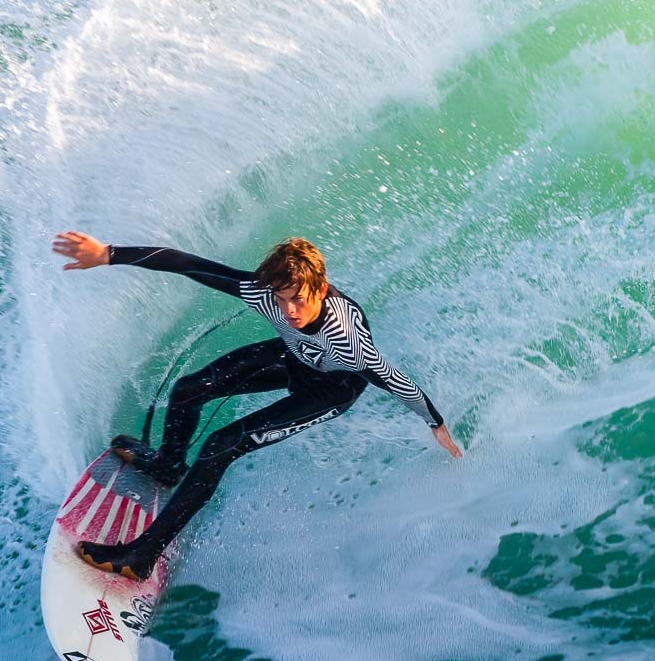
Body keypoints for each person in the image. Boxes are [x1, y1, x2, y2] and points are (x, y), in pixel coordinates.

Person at [51, 230, 462, 580]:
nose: (289, 310)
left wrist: (436, 423)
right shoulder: (268, 295)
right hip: (295, 357)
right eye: (281, 300)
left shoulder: (347, 340)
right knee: (190, 389)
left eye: (298, 299)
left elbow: (396, 382)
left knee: (220, 446)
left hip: (331, 388)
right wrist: (108, 254)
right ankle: (168, 465)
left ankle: (141, 556)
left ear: (320, 289)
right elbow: (188, 264)